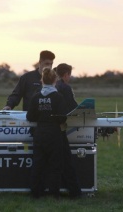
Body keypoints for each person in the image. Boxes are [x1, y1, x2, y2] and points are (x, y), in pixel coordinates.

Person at [26, 67, 67, 199]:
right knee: (55, 164)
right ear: (55, 80)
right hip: (54, 134)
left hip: (39, 133)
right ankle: (54, 193)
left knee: (38, 164)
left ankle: (35, 192)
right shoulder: (58, 97)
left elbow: (30, 117)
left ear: (41, 80)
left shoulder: (36, 97)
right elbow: (62, 117)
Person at [54, 63, 82, 198]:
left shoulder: (53, 86)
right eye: (69, 75)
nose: (69, 78)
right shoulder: (65, 87)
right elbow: (73, 107)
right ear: (66, 75)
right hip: (61, 127)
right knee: (66, 161)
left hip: (49, 128)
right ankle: (75, 192)